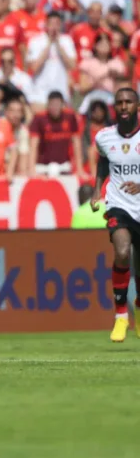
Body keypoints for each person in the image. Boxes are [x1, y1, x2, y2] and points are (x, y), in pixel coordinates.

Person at [92, 88, 140, 343]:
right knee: (122, 252)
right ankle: (121, 315)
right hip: (119, 203)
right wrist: (96, 190)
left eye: (128, 102)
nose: (124, 107)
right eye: (119, 103)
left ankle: (138, 309)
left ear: (137, 106)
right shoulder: (104, 137)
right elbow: (103, 161)